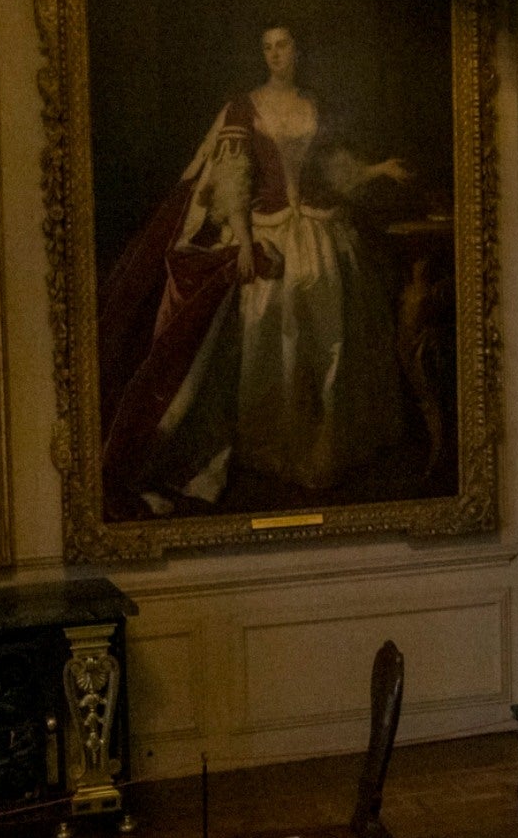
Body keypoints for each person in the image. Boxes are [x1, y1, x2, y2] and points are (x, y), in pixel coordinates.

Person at [98, 25, 417, 515]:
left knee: (331, 327)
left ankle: (325, 442)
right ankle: (267, 445)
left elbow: (332, 169)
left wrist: (377, 170)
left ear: (298, 51)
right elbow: (233, 181)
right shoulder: (242, 108)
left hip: (318, 229)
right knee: (270, 327)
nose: (274, 55)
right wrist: (244, 242)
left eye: (282, 45)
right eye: (266, 47)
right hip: (265, 232)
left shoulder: (315, 104)